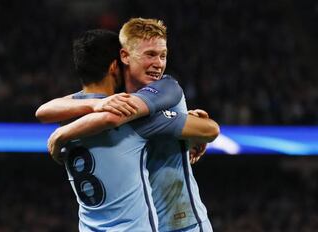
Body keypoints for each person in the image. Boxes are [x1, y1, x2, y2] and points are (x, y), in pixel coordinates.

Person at [37, 18, 218, 231]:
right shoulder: (114, 101)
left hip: (182, 222)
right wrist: (96, 104)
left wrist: (61, 134)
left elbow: (113, 118)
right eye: (150, 54)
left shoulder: (166, 87)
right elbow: (44, 110)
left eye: (163, 55)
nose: (159, 63)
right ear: (123, 57)